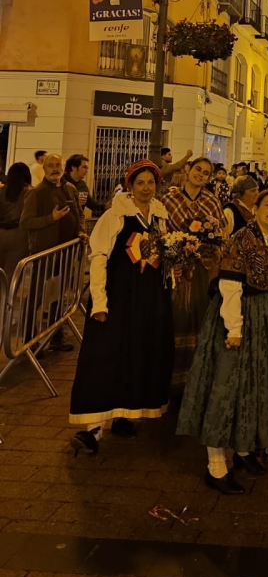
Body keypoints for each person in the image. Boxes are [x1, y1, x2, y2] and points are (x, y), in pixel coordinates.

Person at [177, 189, 268, 494]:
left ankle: (243, 449)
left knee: (251, 384)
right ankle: (215, 465)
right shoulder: (243, 238)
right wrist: (234, 328)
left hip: (261, 317)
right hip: (238, 316)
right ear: (256, 208)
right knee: (226, 385)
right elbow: (230, 285)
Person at [69, 160, 174, 454]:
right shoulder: (114, 216)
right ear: (129, 185)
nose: (145, 188)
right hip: (118, 297)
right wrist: (99, 301)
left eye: (150, 183)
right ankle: (92, 428)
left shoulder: (159, 216)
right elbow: (99, 256)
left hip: (148, 299)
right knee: (107, 356)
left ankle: (126, 415)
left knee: (138, 353)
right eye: (139, 182)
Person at [162, 158, 228, 386]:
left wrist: (209, 247)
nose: (200, 174)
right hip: (177, 272)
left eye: (206, 172)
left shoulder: (212, 201)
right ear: (187, 170)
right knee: (177, 318)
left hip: (203, 272)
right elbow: (161, 233)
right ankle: (170, 377)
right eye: (197, 169)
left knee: (201, 317)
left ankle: (198, 376)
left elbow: (221, 233)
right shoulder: (169, 200)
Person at [20, 153, 83, 351]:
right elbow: (25, 222)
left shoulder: (70, 189)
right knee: (37, 297)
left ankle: (57, 337)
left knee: (59, 297)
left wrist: (81, 231)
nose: (55, 169)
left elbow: (79, 215)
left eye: (58, 165)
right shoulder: (36, 193)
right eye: (51, 165)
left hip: (66, 254)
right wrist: (51, 218)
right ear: (44, 168)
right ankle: (29, 340)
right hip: (44, 253)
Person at [0, 163, 32, 277]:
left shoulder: (2, 191)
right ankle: (6, 295)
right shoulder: (30, 192)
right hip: (20, 235)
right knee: (12, 272)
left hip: (2, 232)